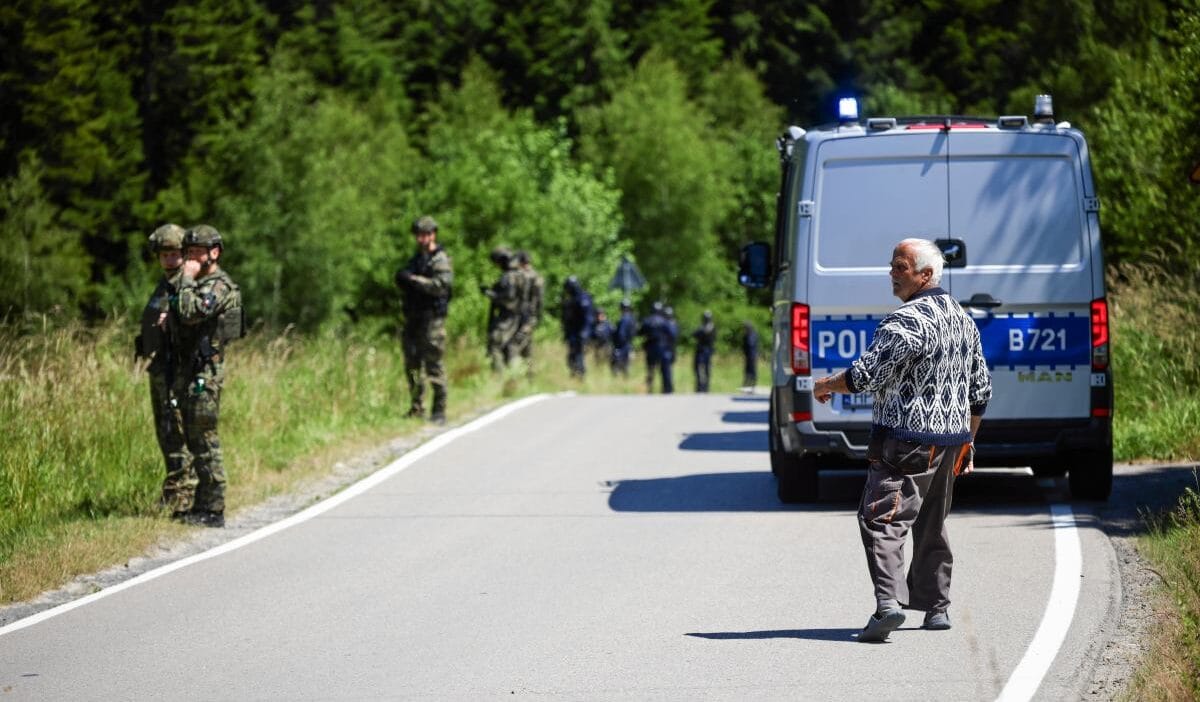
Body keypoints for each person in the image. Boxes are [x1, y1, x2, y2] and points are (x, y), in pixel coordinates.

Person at [812, 238, 992, 643]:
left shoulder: (905, 321)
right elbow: (981, 391)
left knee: (882, 520)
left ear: (925, 275)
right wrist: (968, 441)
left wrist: (825, 385)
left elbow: (866, 376)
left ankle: (888, 607)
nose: (892, 273)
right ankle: (937, 608)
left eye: (900, 267)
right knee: (932, 522)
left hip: (906, 440)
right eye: (892, 265)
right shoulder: (962, 319)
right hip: (951, 439)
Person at [167, 224, 244, 528]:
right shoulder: (199, 283)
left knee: (205, 438)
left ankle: (214, 508)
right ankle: (202, 502)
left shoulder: (218, 286)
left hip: (206, 374)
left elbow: (190, 313)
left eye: (197, 252)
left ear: (214, 253)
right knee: (194, 439)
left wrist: (185, 278)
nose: (190, 258)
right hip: (190, 371)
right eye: (188, 253)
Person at [136, 223, 194, 518]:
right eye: (164, 254)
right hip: (159, 369)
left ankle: (184, 493)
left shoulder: (186, 284)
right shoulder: (165, 284)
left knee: (177, 430)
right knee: (165, 430)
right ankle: (173, 490)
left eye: (174, 254)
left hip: (176, 370)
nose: (169, 259)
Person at [396, 216, 454, 424]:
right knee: (412, 363)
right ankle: (416, 406)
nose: (422, 239)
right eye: (419, 235)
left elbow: (441, 285)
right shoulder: (417, 259)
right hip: (414, 317)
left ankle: (439, 410)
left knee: (433, 364)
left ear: (433, 234)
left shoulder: (440, 260)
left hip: (432, 319)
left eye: (426, 235)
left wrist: (414, 280)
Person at [482, 246, 521, 371]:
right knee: (509, 347)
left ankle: (500, 375)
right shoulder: (517, 274)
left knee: (495, 345)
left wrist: (489, 293)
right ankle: (513, 375)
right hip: (515, 316)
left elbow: (507, 299)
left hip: (508, 317)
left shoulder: (509, 277)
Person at [511, 250, 544, 370]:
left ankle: (515, 375)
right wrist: (537, 317)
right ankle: (529, 375)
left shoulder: (519, 275)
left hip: (522, 315)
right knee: (527, 346)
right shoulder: (537, 276)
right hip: (531, 316)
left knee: (515, 344)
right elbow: (540, 300)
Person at [638, 301, 675, 393]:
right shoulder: (664, 321)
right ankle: (666, 390)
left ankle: (649, 389)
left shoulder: (647, 320)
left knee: (650, 370)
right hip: (662, 348)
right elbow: (672, 334)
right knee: (664, 370)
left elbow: (640, 332)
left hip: (650, 348)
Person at [560, 276, 593, 377]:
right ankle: (575, 374)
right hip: (572, 333)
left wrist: (585, 332)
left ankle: (580, 375)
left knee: (578, 355)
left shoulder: (583, 299)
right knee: (572, 356)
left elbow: (588, 318)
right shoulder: (571, 300)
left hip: (579, 333)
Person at [610, 299, 637, 376]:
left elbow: (621, 334)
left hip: (622, 345)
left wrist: (617, 344)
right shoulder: (632, 318)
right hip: (629, 344)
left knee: (617, 366)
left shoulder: (624, 319)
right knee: (626, 366)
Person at [692, 310, 716, 392]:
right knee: (701, 369)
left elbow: (696, 334)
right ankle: (702, 387)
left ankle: (703, 387)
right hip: (704, 351)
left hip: (704, 351)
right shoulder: (705, 327)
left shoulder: (710, 327)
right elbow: (694, 334)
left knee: (705, 369)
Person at [742, 322, 759, 391]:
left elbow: (750, 344)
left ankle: (752, 385)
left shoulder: (752, 335)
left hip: (752, 355)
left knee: (752, 371)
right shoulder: (747, 335)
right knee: (747, 370)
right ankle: (747, 384)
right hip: (748, 355)